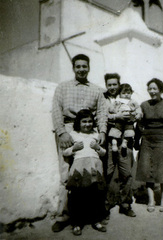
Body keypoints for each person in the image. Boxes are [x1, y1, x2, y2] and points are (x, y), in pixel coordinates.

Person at [51, 54, 107, 232]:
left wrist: (103, 132)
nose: (81, 69)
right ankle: (64, 216)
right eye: (78, 66)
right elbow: (56, 111)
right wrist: (62, 133)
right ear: (73, 68)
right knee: (66, 176)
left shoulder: (97, 90)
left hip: (89, 132)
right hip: (68, 131)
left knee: (91, 177)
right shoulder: (63, 87)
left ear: (89, 68)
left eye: (84, 66)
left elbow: (102, 112)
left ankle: (92, 215)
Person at [136, 78, 163, 212]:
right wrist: (137, 140)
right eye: (150, 89)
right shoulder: (143, 105)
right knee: (147, 170)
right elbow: (140, 125)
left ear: (160, 90)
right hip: (147, 141)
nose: (152, 91)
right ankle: (151, 200)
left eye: (155, 88)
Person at [64, 109, 107, 235]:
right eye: (84, 122)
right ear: (79, 122)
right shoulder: (73, 134)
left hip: (94, 167)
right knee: (77, 195)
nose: (87, 124)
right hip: (79, 167)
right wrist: (73, 148)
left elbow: (103, 153)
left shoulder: (95, 134)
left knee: (95, 195)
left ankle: (96, 220)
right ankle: (77, 222)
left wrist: (98, 148)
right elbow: (65, 152)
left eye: (89, 121)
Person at [103, 73, 136, 217]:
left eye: (114, 84)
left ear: (118, 84)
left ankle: (125, 203)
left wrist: (133, 116)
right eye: (109, 84)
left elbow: (135, 114)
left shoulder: (127, 97)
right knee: (109, 171)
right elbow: (101, 115)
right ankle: (107, 203)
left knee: (126, 172)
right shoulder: (103, 98)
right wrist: (117, 117)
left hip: (126, 140)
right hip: (110, 139)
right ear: (106, 85)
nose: (112, 87)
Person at [108, 83, 142, 155]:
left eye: (128, 93)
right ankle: (114, 144)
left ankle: (125, 143)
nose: (126, 95)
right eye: (123, 93)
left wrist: (138, 114)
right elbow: (111, 109)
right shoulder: (117, 101)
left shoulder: (133, 102)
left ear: (131, 93)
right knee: (115, 131)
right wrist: (116, 112)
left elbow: (138, 109)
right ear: (119, 94)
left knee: (129, 131)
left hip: (129, 121)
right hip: (119, 121)